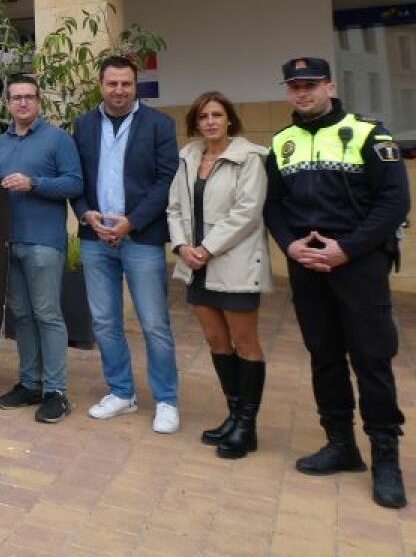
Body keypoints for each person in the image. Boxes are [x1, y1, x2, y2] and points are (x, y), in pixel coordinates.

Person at [264, 57, 411, 509]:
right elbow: (274, 206)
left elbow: (394, 203)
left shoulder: (370, 133)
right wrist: (289, 247)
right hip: (307, 266)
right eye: (294, 86)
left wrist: (346, 249)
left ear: (329, 86)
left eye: (310, 84)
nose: (302, 93)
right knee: (324, 356)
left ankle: (386, 456)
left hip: (359, 264)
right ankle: (340, 444)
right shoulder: (282, 142)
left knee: (371, 358)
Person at [72, 56, 181, 433]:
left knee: (154, 324)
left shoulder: (160, 125)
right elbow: (76, 179)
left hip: (142, 237)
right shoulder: (84, 124)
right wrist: (86, 213)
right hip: (95, 237)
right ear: (100, 85)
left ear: (136, 86)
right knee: (104, 322)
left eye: (126, 84)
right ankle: (121, 392)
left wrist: (131, 222)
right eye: (112, 83)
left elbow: (166, 180)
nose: (119, 90)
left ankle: (166, 399)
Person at [167, 91, 271, 458]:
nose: (210, 121)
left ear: (229, 119)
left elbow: (246, 213)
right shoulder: (187, 158)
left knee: (245, 343)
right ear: (195, 123)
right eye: (202, 117)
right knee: (216, 341)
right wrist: (181, 247)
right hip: (196, 266)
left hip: (234, 263)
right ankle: (233, 415)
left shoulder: (250, 158)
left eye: (217, 115)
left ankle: (247, 426)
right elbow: (175, 208)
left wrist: (206, 248)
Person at [0, 75, 84, 423]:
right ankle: (30, 383)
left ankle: (56, 391)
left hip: (43, 241)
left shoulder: (58, 139)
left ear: (39, 101)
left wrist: (35, 183)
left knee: (48, 314)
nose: (23, 103)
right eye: (16, 98)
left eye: (29, 97)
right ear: (8, 103)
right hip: (8, 241)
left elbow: (74, 183)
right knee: (22, 317)